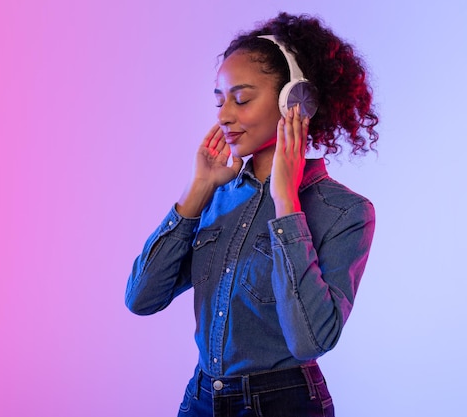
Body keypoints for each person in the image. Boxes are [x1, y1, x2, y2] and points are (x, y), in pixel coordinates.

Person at [125, 12, 378, 417]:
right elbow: (141, 298)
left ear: (294, 102)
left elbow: (308, 341)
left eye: (241, 98)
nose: (224, 114)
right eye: (219, 100)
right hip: (201, 400)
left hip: (285, 404)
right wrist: (198, 189)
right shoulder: (217, 197)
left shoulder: (346, 212)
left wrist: (286, 204)